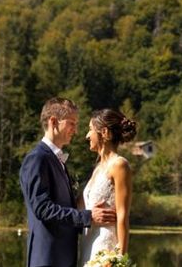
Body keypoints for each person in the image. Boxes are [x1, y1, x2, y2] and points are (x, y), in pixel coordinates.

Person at [20, 98, 117, 267]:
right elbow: (42, 209)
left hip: (63, 258)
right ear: (53, 122)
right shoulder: (37, 159)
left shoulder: (57, 161)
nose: (76, 130)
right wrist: (88, 216)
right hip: (47, 259)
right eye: (72, 123)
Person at [78, 108, 136, 265]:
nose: (87, 135)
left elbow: (123, 216)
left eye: (90, 130)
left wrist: (119, 260)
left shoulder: (119, 165)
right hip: (88, 243)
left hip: (106, 246)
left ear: (104, 132)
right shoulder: (98, 168)